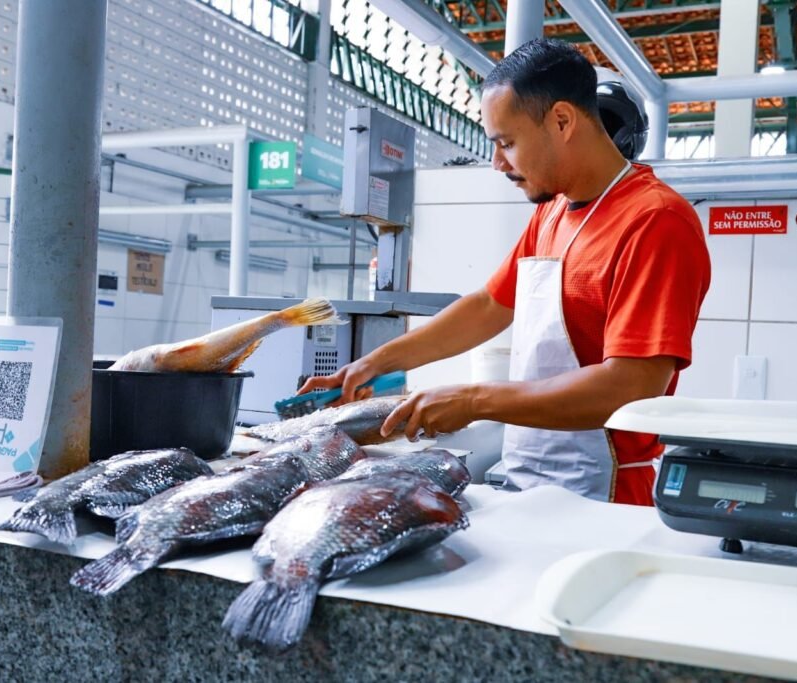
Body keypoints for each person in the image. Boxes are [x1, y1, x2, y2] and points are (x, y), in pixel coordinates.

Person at [299, 38, 711, 506]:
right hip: (532, 483)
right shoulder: (553, 211)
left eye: (507, 143)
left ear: (561, 120)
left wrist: (474, 400)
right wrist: (373, 363)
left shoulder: (655, 220)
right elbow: (490, 305)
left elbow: (631, 386)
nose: (498, 163)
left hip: (606, 496)